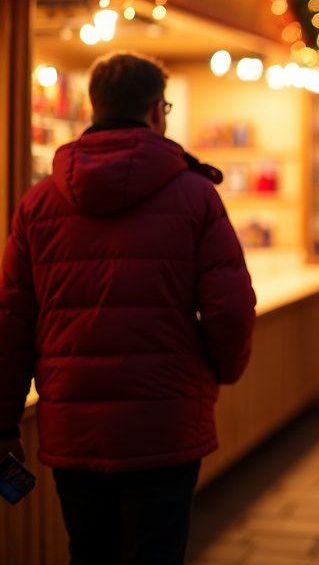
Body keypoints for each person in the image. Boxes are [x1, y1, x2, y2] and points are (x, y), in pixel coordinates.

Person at [0, 52, 256, 565]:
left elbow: (11, 322)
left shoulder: (38, 203)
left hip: (74, 423)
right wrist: (218, 372)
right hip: (166, 419)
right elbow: (230, 307)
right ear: (157, 111)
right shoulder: (195, 195)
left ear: (93, 108)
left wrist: (5, 421)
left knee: (89, 552)